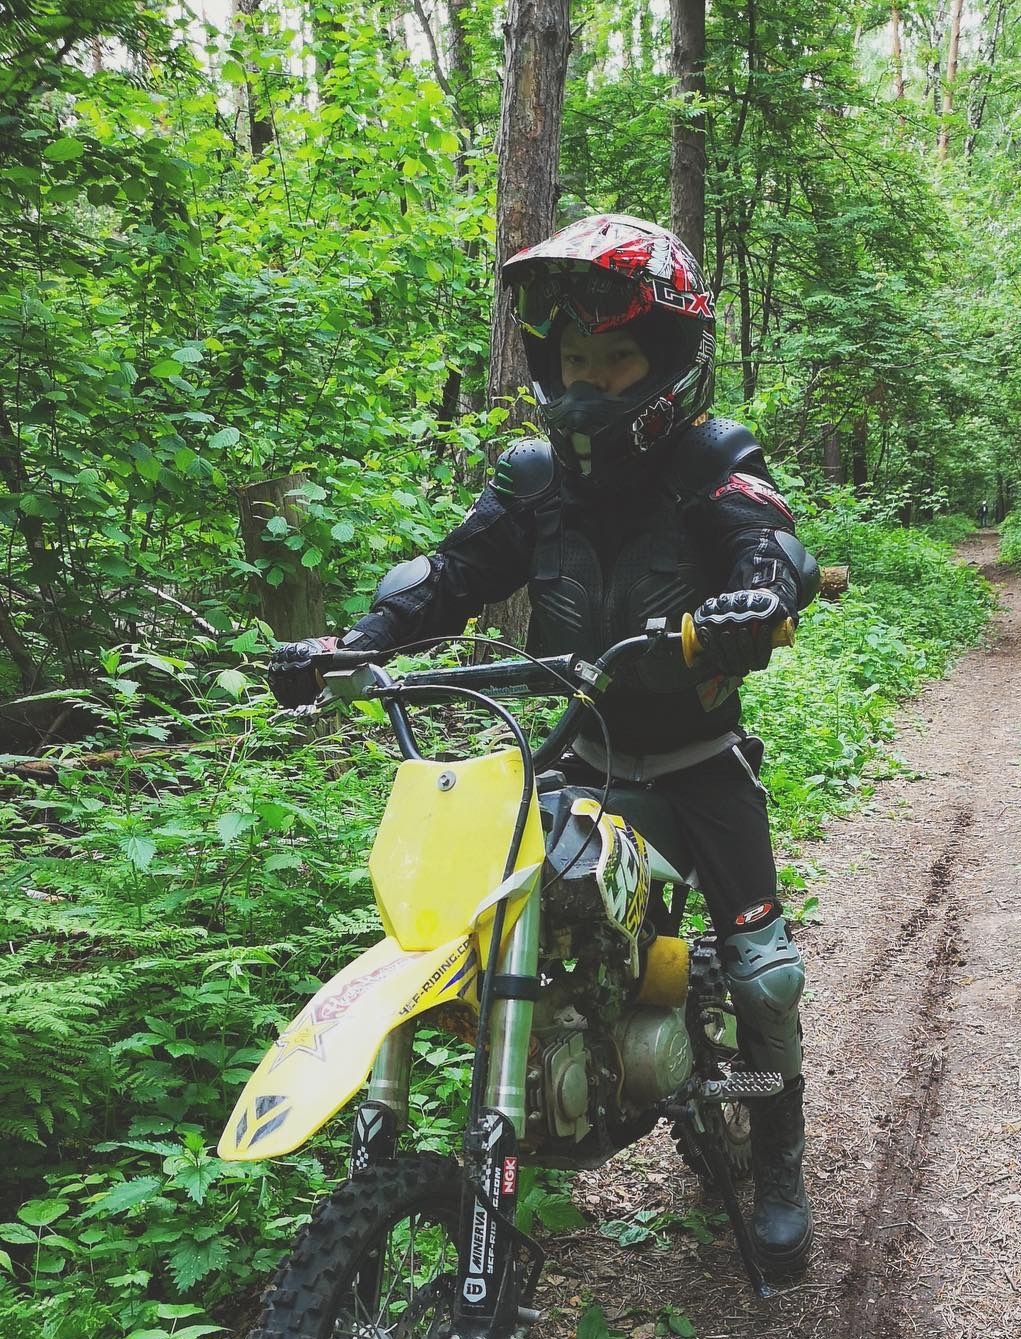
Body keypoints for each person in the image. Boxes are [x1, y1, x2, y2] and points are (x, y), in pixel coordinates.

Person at [266, 214, 816, 1277]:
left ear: (665, 364)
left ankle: (780, 1156)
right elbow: (452, 575)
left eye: (617, 360)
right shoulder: (533, 479)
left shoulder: (713, 459)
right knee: (476, 926)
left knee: (763, 974)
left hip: (696, 763)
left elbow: (767, 537)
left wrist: (759, 593)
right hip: (571, 750)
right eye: (574, 360)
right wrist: (354, 642)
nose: (591, 383)